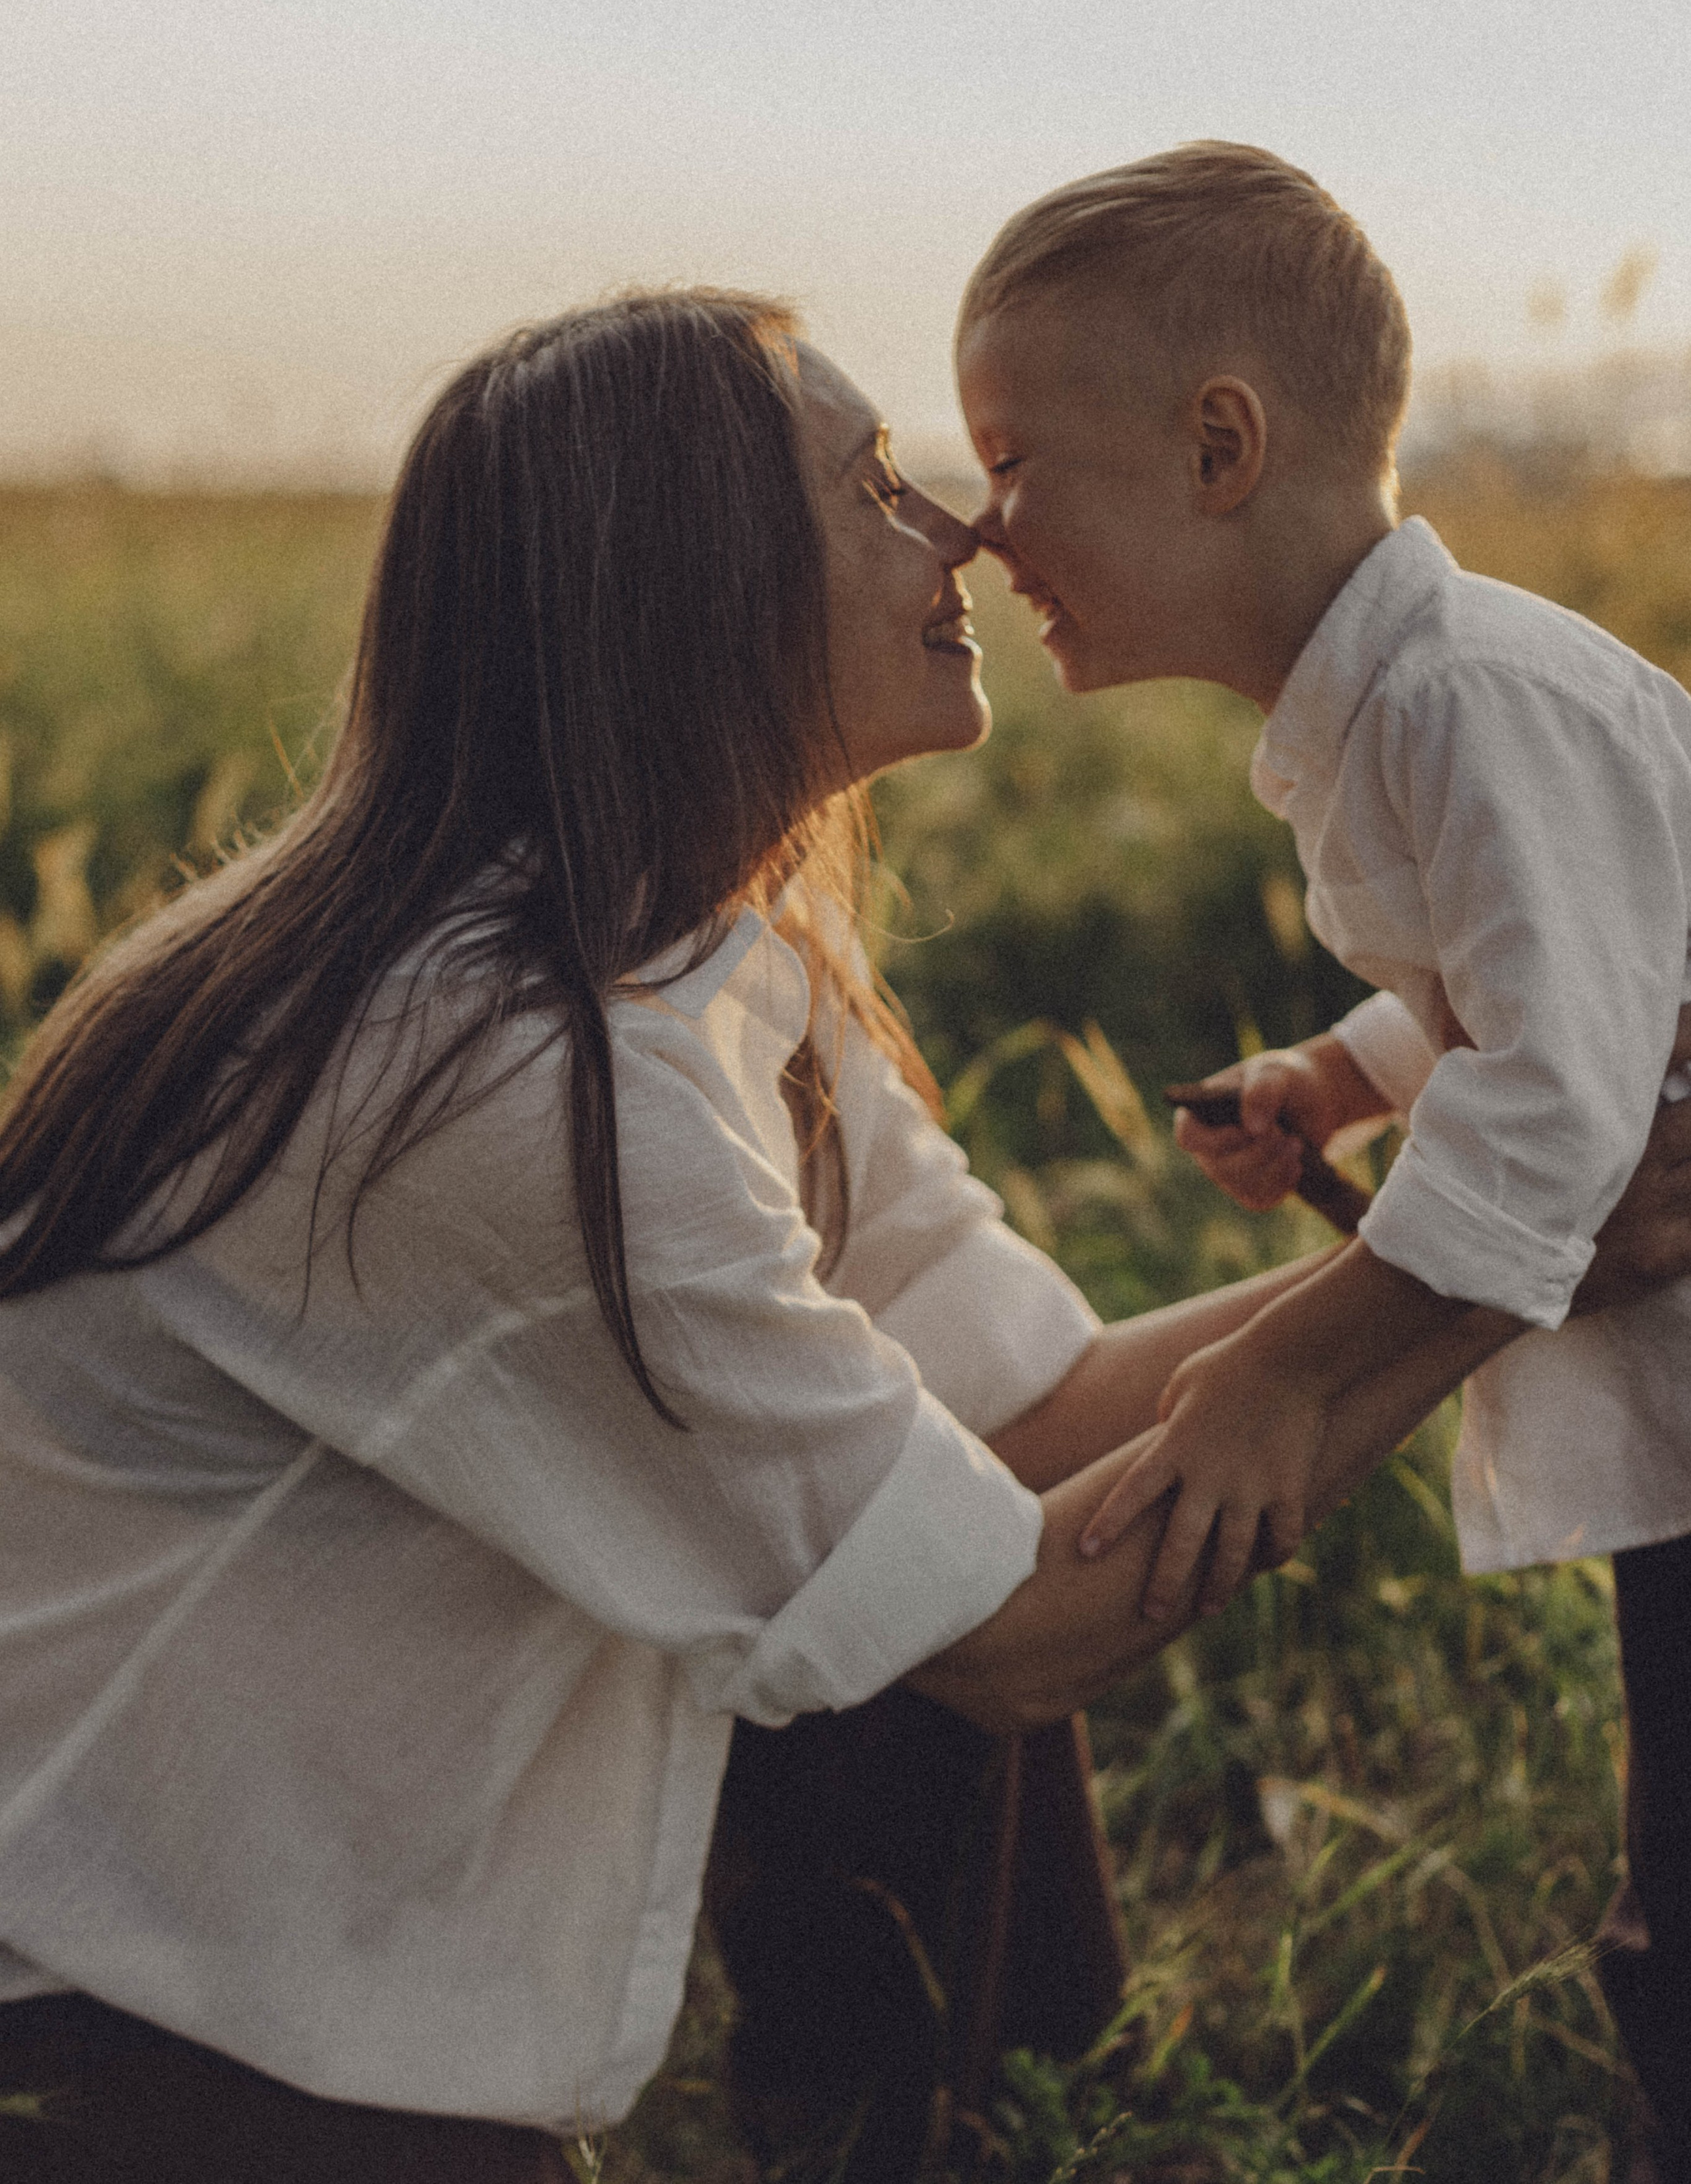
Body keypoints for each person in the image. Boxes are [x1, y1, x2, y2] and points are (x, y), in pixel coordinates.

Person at [8, 287, 1610, 2184]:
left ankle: (995, 2146)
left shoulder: (706, 961)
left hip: (308, 1943)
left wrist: (1505, 1232)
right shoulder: (496, 1079)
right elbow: (1017, 1631)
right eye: (870, 488)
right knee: (930, 1630)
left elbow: (1034, 1421)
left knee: (904, 1565)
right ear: (694, 584)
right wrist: (1517, 1244)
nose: (966, 529)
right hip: (130, 2013)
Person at [954, 144, 1691, 2177]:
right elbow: (1512, 982)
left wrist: (1286, 1363)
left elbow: (1562, 1093)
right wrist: (1337, 1077)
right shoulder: (1401, 712)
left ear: (1218, 445)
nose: (981, 527)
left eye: (1014, 464)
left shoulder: (1471, 703)